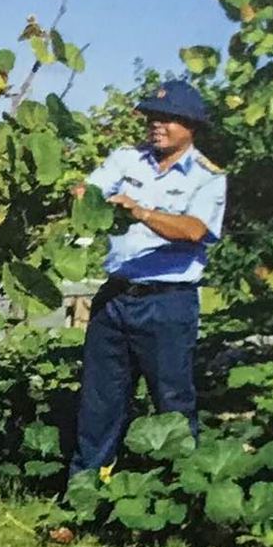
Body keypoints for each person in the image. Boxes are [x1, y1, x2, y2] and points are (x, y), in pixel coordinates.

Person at [67, 79, 228, 475]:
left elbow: (193, 230)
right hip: (115, 297)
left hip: (168, 303)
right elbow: (89, 191)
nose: (157, 125)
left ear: (192, 126)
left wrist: (141, 212)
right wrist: (82, 192)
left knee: (172, 401)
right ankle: (85, 489)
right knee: (100, 401)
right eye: (153, 117)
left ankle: (180, 492)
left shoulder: (209, 177)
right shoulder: (126, 159)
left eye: (169, 119)